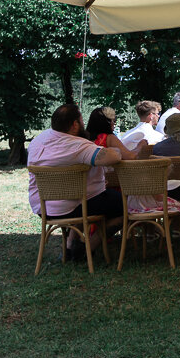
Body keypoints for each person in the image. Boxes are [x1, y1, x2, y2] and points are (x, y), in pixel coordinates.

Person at [28, 104, 125, 258]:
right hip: (72, 206)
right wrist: (117, 150)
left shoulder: (37, 141)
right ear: (74, 124)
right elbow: (112, 157)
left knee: (88, 198)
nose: (83, 124)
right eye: (81, 121)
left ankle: (70, 246)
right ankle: (88, 247)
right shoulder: (78, 146)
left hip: (43, 207)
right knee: (125, 205)